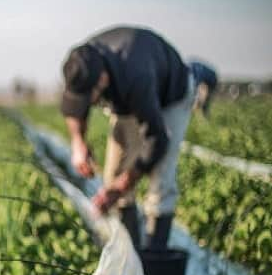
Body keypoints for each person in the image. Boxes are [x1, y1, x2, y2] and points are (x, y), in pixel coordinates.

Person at [60, 26, 196, 250]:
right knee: (112, 174)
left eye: (89, 98)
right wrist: (78, 143)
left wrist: (123, 184)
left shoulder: (136, 76)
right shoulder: (82, 62)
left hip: (171, 95)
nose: (87, 104)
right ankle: (130, 254)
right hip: (128, 98)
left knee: (161, 181)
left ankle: (153, 257)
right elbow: (74, 110)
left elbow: (157, 139)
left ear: (102, 80)